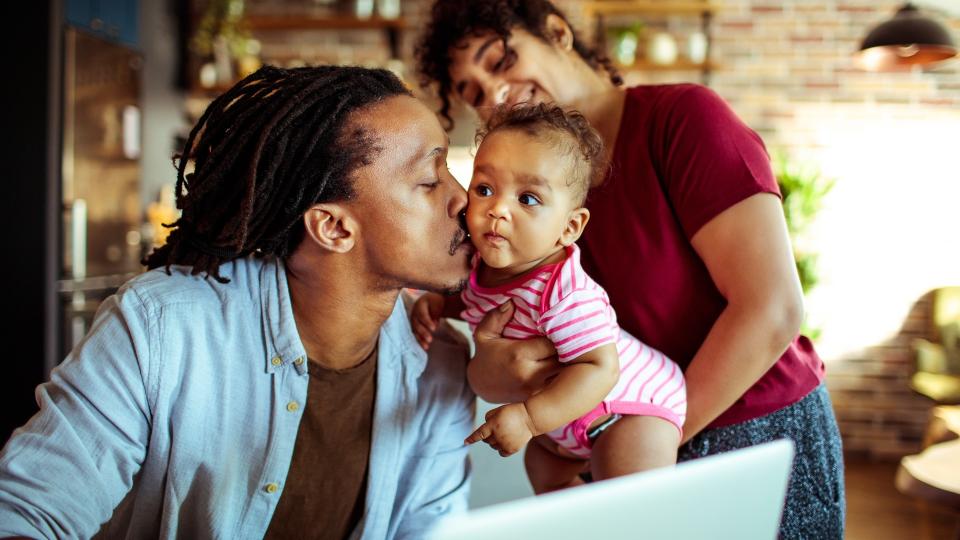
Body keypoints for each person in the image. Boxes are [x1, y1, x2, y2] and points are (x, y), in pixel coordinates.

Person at [415, 1, 845, 538]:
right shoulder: (517, 210)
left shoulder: (682, 120)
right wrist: (502, 375)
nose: (495, 93)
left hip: (753, 429)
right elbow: (514, 342)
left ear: (556, 33)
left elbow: (773, 309)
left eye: (498, 61)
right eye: (474, 93)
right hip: (614, 441)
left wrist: (642, 448)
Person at [0, 65, 476, 539]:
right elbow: (25, 514)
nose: (465, 199)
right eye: (430, 181)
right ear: (333, 228)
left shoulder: (443, 363)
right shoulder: (159, 330)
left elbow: (430, 530)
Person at [411, 104, 686, 493]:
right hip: (560, 424)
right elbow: (476, 298)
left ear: (569, 227)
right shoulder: (477, 266)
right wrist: (440, 304)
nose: (497, 210)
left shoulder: (564, 292)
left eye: (528, 199)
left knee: (627, 505)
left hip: (626, 408)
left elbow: (600, 367)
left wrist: (527, 419)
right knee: (543, 473)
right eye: (485, 189)